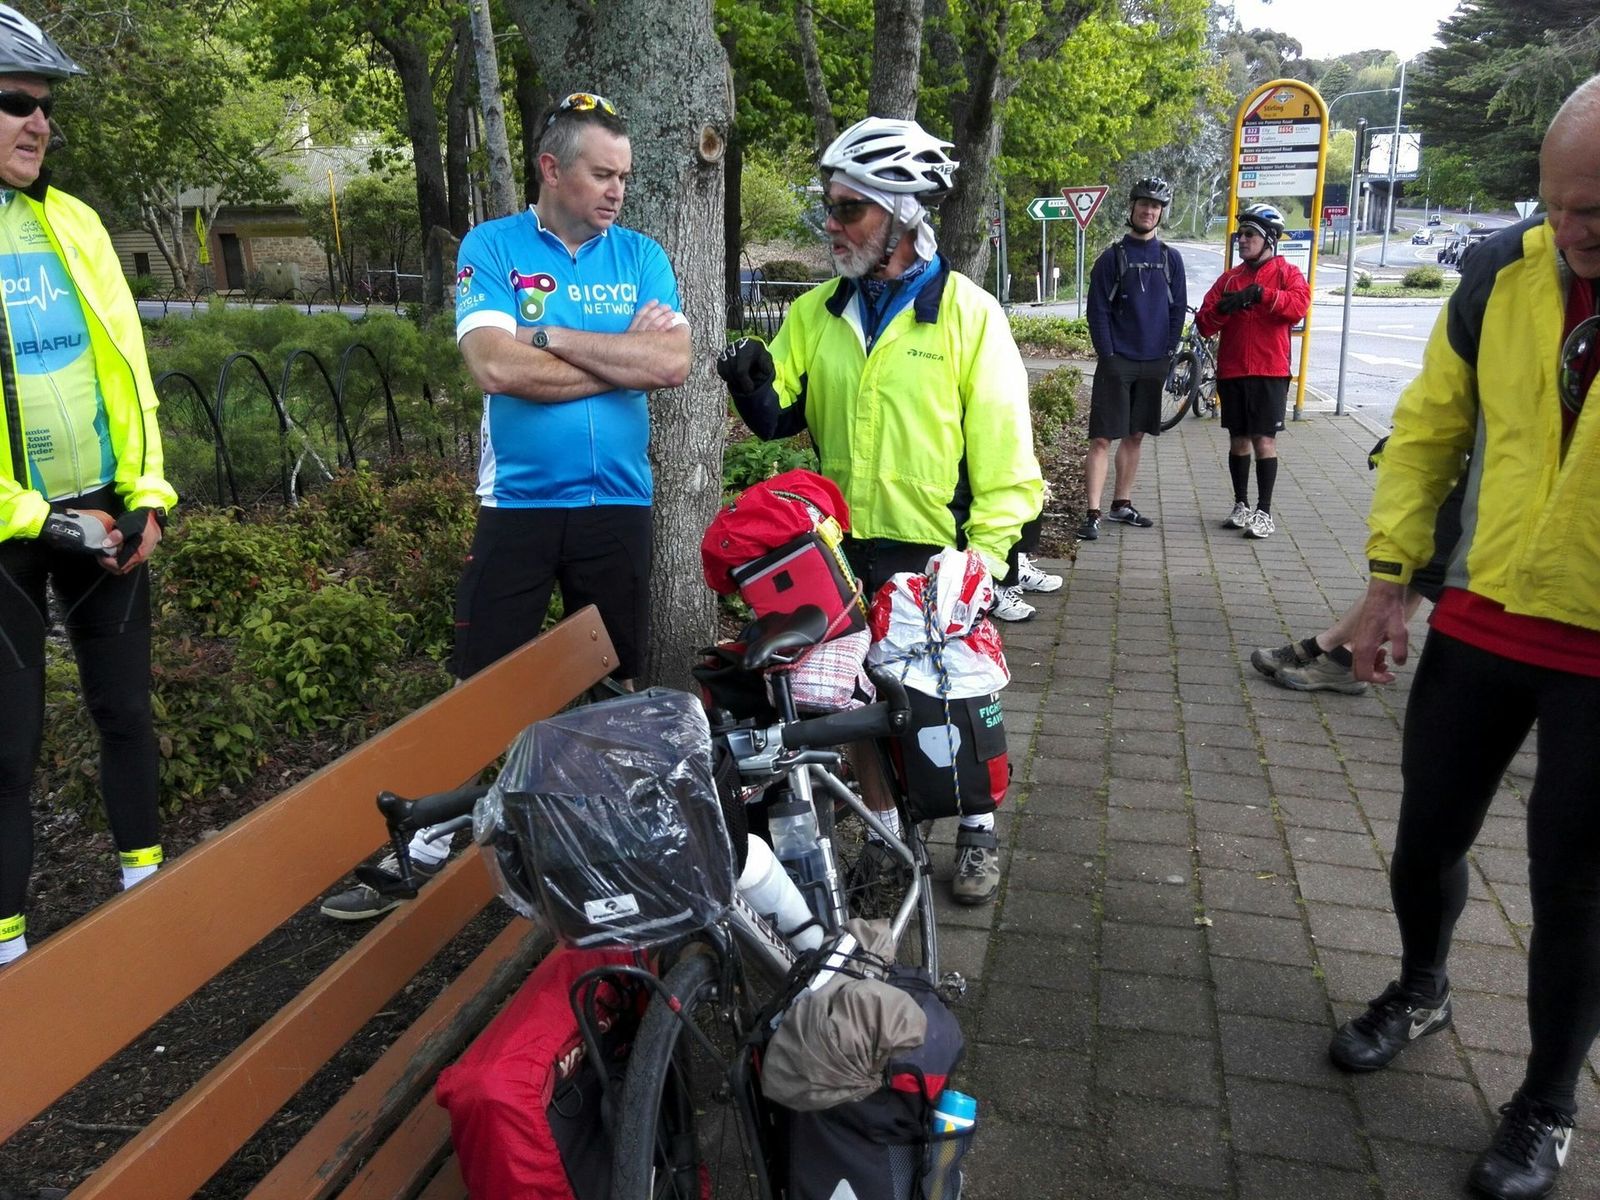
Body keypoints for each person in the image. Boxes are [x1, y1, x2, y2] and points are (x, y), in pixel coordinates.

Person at [320, 90, 689, 921]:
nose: (618, 191)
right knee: (480, 682)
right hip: (517, 503)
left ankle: (620, 840)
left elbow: (670, 365)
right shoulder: (492, 247)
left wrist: (547, 336)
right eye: (603, 174)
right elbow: (493, 366)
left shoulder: (641, 255)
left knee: (616, 677)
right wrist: (616, 359)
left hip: (618, 503)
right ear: (551, 168)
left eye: (624, 176)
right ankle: (427, 842)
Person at [1329, 75, 1600, 1200]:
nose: (1573, 230)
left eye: (1597, 210)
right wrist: (1388, 583)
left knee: (1574, 887)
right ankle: (1422, 986)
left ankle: (1546, 1101)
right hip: (1484, 614)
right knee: (1425, 836)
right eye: (1559, 204)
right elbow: (1432, 428)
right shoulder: (1501, 272)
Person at [714, 116, 1044, 905]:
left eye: (849, 208)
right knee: (862, 701)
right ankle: (889, 837)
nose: (831, 224)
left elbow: (1007, 460)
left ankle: (977, 828)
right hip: (841, 549)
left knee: (954, 693)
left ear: (903, 214)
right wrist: (750, 382)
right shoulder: (817, 313)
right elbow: (778, 413)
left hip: (937, 550)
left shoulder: (969, 316)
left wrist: (986, 558)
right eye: (828, 206)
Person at [0, 7, 177, 967]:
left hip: (101, 504)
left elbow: (129, 372)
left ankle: (148, 893)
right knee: (7, 748)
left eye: (45, 106)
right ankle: (8, 953)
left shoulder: (74, 221)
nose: (40, 122)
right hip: (8, 530)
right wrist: (37, 519)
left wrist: (146, 491)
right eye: (15, 102)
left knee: (126, 713)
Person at [1252, 442, 1466, 695]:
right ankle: (1326, 648)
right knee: (1415, 568)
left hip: (1492, 489)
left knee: (1423, 571)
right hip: (1475, 472)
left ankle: (1345, 660)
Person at [1078, 177, 1187, 541]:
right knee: (1101, 439)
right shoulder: (1112, 258)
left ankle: (1121, 504)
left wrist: (1168, 351)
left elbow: (1177, 309)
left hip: (1154, 361)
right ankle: (1092, 512)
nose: (1149, 210)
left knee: (1136, 435)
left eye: (1155, 206)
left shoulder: (1170, 259)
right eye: (1144, 204)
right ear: (1132, 207)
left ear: (1161, 213)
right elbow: (1097, 311)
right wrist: (1107, 354)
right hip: (1118, 360)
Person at [1195, 203, 1310, 540]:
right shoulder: (1229, 279)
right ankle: (1241, 505)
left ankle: (1264, 512)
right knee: (1238, 439)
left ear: (1269, 239)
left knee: (1264, 440)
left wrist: (1262, 295)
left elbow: (1299, 306)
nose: (1242, 240)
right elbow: (1204, 323)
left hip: (1269, 370)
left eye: (1249, 235)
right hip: (1233, 371)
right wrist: (1224, 309)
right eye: (1239, 235)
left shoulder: (1287, 273)